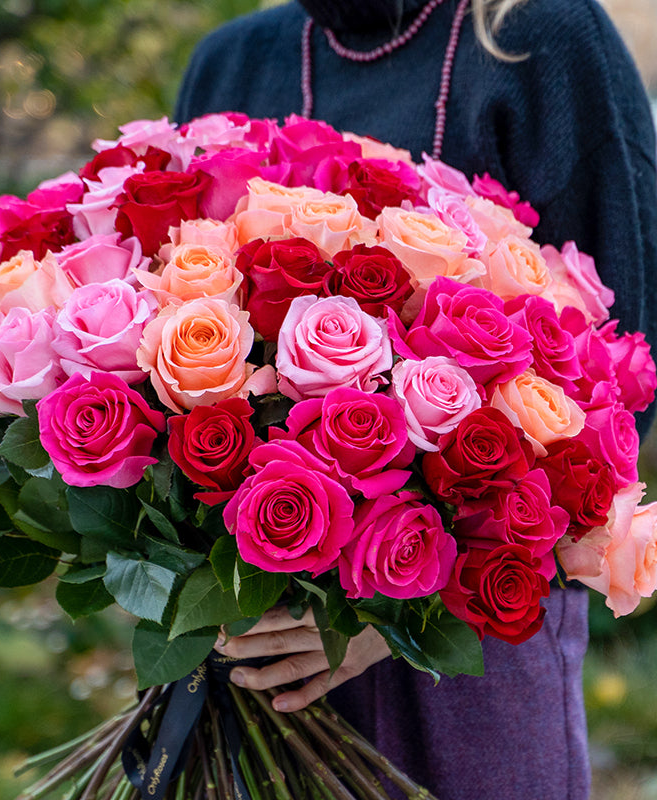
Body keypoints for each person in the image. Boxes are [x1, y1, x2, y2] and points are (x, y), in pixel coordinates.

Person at [174, 0, 657, 797]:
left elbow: (616, 384)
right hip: (245, 653)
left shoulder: (542, 38)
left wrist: (385, 612)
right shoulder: (232, 61)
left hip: (461, 655)